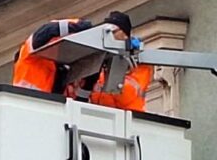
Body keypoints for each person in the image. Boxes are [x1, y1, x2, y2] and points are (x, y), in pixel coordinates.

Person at [11, 11, 153, 111]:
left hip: (127, 123)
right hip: (32, 108)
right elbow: (45, 32)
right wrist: (80, 26)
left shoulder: (135, 65)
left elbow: (79, 104)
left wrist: (90, 81)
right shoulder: (32, 55)